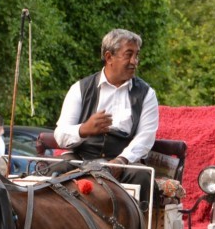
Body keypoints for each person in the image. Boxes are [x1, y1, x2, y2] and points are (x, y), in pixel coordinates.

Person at [54, 28, 159, 210]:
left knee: (143, 178)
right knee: (55, 172)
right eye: (129, 54)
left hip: (123, 164)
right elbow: (60, 134)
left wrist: (121, 161)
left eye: (136, 55)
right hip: (81, 161)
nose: (135, 61)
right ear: (109, 57)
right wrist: (84, 129)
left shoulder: (147, 94)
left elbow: (145, 137)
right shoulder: (80, 88)